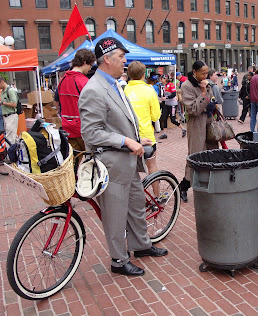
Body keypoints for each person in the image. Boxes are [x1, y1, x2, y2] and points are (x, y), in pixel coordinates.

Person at [78, 37, 167, 277]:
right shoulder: (94, 89)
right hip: (112, 163)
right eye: (120, 57)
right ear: (106, 59)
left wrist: (137, 139)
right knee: (115, 215)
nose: (125, 61)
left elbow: (120, 120)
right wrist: (125, 141)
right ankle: (118, 260)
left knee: (136, 205)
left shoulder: (115, 83)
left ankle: (142, 245)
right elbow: (91, 132)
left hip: (127, 160)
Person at [179, 60, 219, 203]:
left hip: (209, 123)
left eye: (207, 73)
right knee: (195, 156)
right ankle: (184, 186)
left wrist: (211, 102)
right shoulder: (186, 86)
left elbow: (210, 99)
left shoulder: (206, 83)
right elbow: (193, 110)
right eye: (202, 73)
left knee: (212, 153)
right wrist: (203, 93)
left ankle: (207, 185)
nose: (205, 76)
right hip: (196, 125)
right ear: (194, 72)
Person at [125, 61, 162, 195]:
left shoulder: (124, 90)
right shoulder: (149, 90)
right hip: (146, 136)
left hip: (128, 137)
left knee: (131, 170)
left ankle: (133, 197)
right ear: (143, 74)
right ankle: (157, 195)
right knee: (152, 166)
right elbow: (155, 116)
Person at [58, 48, 96, 151]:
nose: (89, 69)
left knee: (74, 164)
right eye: (90, 65)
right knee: (92, 162)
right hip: (83, 129)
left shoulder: (62, 81)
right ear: (84, 62)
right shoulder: (85, 82)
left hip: (67, 128)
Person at [0, 76, 18, 145]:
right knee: (13, 137)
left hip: (11, 116)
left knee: (9, 139)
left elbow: (14, 104)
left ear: (2, 82)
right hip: (6, 116)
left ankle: (9, 154)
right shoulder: (2, 92)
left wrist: (3, 103)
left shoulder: (10, 91)